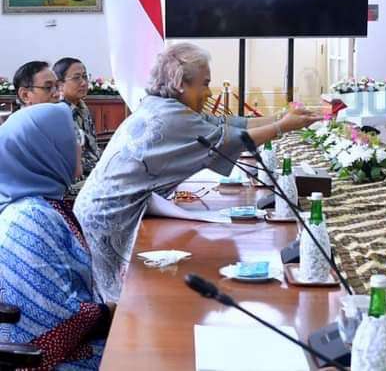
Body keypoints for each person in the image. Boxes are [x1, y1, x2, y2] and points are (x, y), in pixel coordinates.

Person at [74, 43, 321, 301]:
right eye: (205, 84)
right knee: (119, 299)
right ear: (181, 83)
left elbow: (226, 124)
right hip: (108, 217)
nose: (209, 92)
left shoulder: (165, 107)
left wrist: (281, 118)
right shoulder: (171, 118)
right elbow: (227, 139)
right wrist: (282, 127)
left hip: (103, 211)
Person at [0, 103, 111, 369]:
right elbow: (52, 319)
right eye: (72, 139)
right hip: (49, 360)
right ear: (45, 150)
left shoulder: (42, 204)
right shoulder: (32, 217)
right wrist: (111, 312)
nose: (80, 146)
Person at [54, 57, 100, 179]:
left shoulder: (82, 107)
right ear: (60, 84)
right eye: (76, 78)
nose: (84, 83)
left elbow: (92, 146)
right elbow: (69, 158)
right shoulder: (59, 113)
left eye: (85, 76)